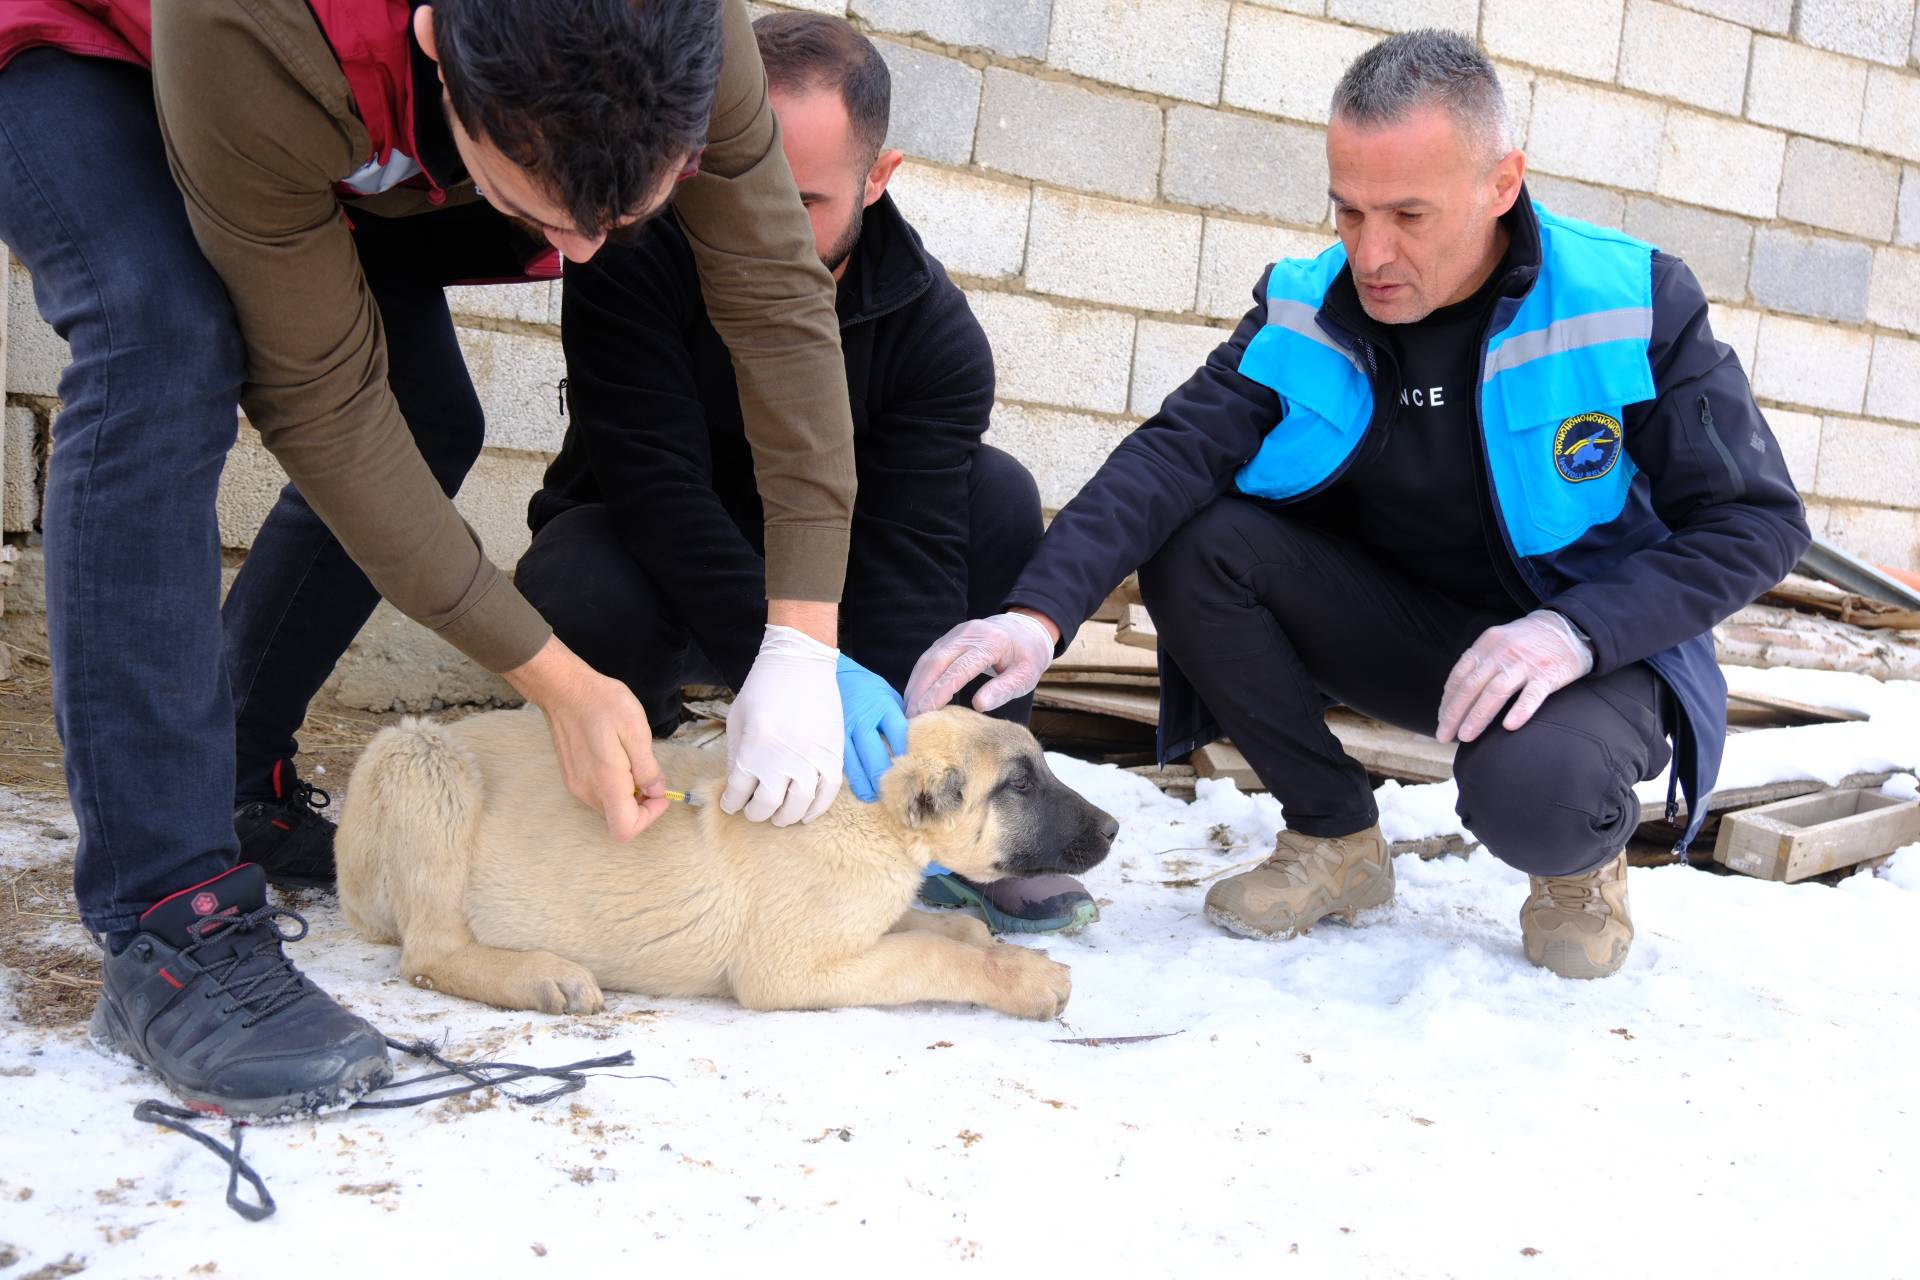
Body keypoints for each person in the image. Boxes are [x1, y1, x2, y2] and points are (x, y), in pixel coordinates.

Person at [0, 0, 858, 1118]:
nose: (588, 254)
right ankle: (171, 923)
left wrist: (802, 634)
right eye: (536, 206)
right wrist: (550, 675)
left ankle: (239, 779)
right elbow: (321, 403)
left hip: (326, 88)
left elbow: (778, 298)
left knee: (428, 412)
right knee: (163, 334)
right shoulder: (256, 32)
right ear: (437, 49)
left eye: (629, 215)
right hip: (76, 40)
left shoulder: (692, 26)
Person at [906, 30, 1811, 979]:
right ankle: (1334, 838)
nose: (1370, 254)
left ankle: (1580, 865)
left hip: (1592, 652)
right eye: (1348, 210)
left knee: (1537, 792)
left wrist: (1572, 632)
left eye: (1410, 216)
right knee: (1197, 540)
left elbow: (1757, 521)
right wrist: (1037, 611)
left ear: (1502, 184)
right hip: (1412, 631)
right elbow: (1173, 455)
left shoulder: (1629, 300)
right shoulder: (1306, 306)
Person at [517, 11, 1094, 935]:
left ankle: (967, 828)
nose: (759, 231)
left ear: (879, 179)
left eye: (804, 203)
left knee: (998, 498)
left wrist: (903, 753)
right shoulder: (632, 250)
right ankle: (643, 771)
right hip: (669, 559)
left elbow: (912, 563)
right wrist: (796, 668)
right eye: (737, 184)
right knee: (574, 578)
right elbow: (656, 489)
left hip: (834, 582)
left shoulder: (935, 336)